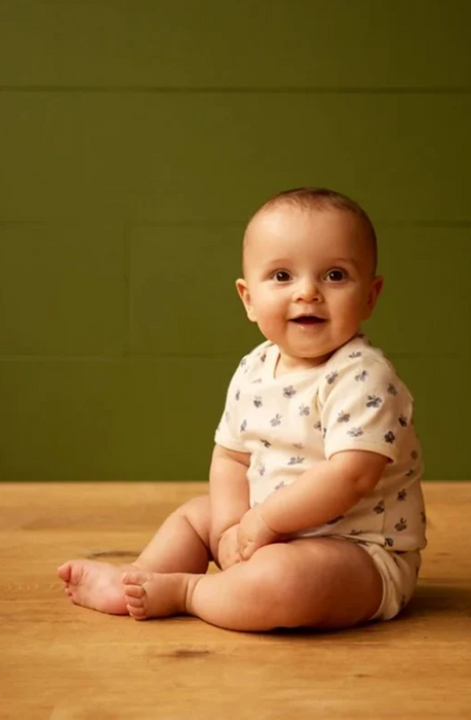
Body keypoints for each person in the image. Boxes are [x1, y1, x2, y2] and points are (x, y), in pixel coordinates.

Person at [58, 187, 427, 631]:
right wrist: (233, 525)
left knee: (286, 580)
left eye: (334, 275)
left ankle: (186, 591)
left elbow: (351, 475)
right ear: (248, 298)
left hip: (355, 552)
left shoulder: (363, 376)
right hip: (258, 529)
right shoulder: (254, 368)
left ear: (371, 294)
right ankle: (138, 577)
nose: (307, 292)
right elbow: (231, 456)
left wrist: (266, 521)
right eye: (281, 276)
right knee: (196, 516)